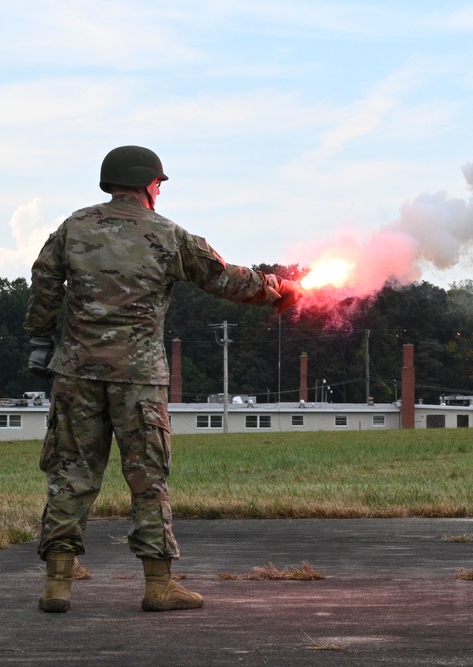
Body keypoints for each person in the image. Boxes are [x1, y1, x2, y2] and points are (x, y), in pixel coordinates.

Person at [24, 145, 302, 613]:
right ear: (149, 185)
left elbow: (44, 282)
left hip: (76, 374)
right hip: (139, 380)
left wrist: (38, 341)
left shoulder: (73, 227)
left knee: (69, 477)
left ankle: (57, 586)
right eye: (159, 183)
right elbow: (223, 277)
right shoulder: (168, 235)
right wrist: (277, 289)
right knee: (148, 480)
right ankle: (158, 586)